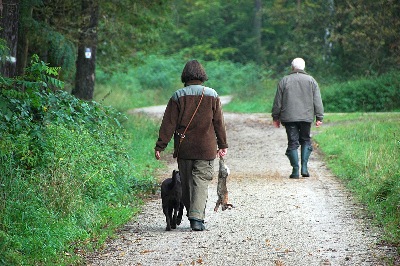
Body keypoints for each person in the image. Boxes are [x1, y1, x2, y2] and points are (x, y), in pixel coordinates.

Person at [155, 59, 228, 231]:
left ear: (184, 76)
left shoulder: (177, 96)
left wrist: (160, 146)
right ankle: (196, 218)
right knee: (200, 182)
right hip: (206, 148)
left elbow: (168, 124)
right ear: (202, 75)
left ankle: (194, 215)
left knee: (187, 185)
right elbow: (219, 122)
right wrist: (222, 143)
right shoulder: (212, 95)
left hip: (184, 148)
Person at [271, 58, 324, 179]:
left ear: (292, 67)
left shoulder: (284, 80)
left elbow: (278, 101)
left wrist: (276, 117)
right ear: (304, 67)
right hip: (306, 117)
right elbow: (317, 100)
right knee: (305, 139)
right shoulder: (311, 80)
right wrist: (319, 116)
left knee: (292, 142)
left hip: (289, 117)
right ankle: (304, 167)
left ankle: (295, 170)